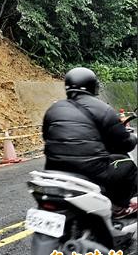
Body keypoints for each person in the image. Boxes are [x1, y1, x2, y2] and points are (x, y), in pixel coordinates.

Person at [42, 67, 137, 219]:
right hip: (90, 172)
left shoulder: (53, 109)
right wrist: (134, 138)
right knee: (127, 164)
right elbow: (125, 144)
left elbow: (47, 136)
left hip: (54, 170)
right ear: (93, 85)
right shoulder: (103, 109)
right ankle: (120, 207)